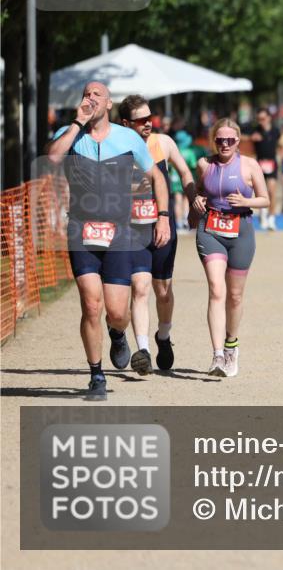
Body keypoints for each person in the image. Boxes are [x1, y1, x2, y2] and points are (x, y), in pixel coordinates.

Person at [46, 82, 171, 401]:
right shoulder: (71, 133)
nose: (90, 99)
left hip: (120, 232)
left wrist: (164, 215)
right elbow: (53, 158)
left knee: (117, 312)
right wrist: (76, 123)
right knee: (91, 303)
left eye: (96, 95)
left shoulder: (128, 137)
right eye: (86, 95)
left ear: (109, 104)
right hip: (81, 229)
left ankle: (117, 333)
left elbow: (155, 176)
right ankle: (96, 374)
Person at [119, 95, 198, 374]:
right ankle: (143, 352)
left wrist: (193, 201)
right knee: (139, 288)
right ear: (126, 123)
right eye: (142, 120)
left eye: (150, 118)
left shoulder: (163, 143)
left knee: (162, 292)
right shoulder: (116, 146)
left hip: (163, 226)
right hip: (132, 229)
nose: (148, 124)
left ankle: (163, 336)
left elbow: (185, 172)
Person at [192, 119, 270, 376]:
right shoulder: (204, 164)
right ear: (213, 140)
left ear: (238, 141)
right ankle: (216, 356)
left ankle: (230, 346)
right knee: (216, 289)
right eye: (220, 140)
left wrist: (246, 200)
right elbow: (198, 191)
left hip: (241, 231)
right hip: (211, 230)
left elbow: (265, 199)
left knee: (234, 296)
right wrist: (198, 200)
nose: (224, 144)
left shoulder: (249, 165)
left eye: (230, 140)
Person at [249, 108, 281, 230]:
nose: (260, 121)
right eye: (259, 119)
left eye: (262, 119)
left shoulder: (276, 131)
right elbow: (246, 141)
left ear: (268, 118)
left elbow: (280, 144)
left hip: (271, 164)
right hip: (259, 165)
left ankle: (272, 218)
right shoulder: (256, 131)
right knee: (261, 193)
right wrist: (252, 138)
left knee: (272, 191)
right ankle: (263, 215)